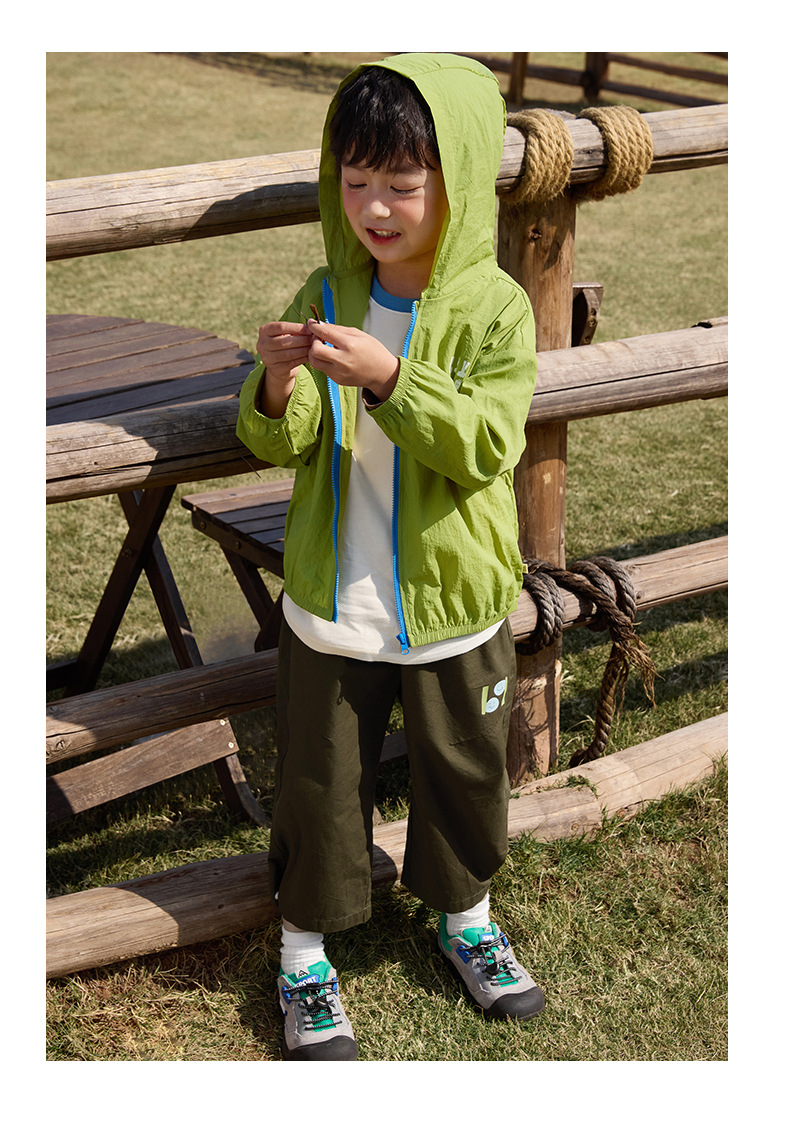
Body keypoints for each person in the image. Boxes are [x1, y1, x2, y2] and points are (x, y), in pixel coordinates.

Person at [236, 53, 542, 1061]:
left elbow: (486, 443)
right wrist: (277, 385)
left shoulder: (495, 308)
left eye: (401, 185)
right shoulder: (328, 290)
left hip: (456, 603)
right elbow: (283, 440)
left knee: (464, 770)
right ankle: (304, 955)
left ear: (457, 179)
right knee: (319, 781)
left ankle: (466, 918)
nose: (374, 206)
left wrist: (390, 377)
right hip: (334, 600)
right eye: (356, 179)